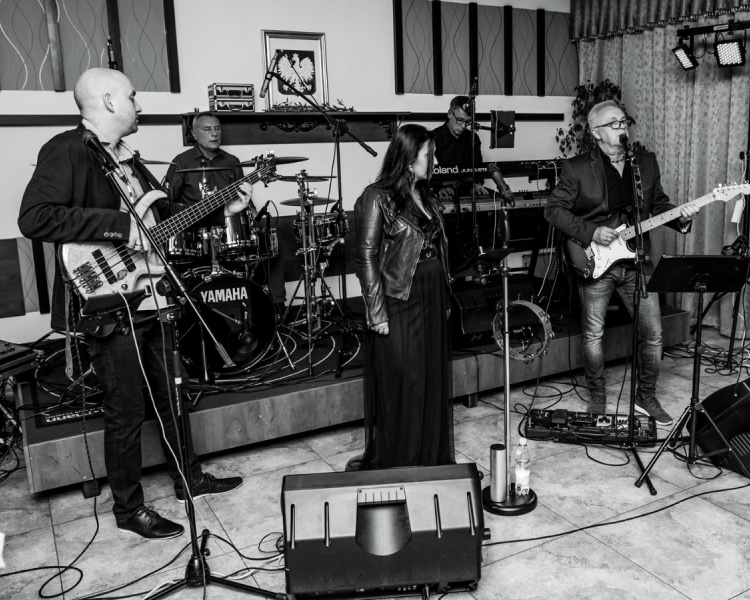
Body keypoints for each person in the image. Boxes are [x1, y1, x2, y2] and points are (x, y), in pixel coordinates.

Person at [18, 68, 249, 540]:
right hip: (107, 301)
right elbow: (35, 217)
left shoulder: (130, 160)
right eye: (132, 96)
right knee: (125, 408)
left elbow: (162, 220)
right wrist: (120, 227)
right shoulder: (67, 149)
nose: (139, 104)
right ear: (107, 101)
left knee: (173, 392)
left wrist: (221, 208)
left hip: (152, 297)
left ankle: (189, 478)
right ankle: (128, 508)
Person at [544, 100, 700, 424]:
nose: (621, 127)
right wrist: (591, 231)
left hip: (636, 260)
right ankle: (597, 395)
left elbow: (658, 206)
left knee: (653, 333)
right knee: (593, 334)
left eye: (623, 121)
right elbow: (554, 210)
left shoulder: (646, 162)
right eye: (613, 123)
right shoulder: (577, 167)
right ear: (595, 132)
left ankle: (646, 396)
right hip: (595, 259)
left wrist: (681, 219)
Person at [354, 124, 454, 469]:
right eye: (429, 154)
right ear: (409, 159)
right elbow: (366, 257)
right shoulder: (376, 197)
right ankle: (402, 461)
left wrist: (445, 298)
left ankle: (429, 458)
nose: (434, 160)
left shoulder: (426, 195)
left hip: (432, 293)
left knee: (430, 377)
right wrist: (376, 311)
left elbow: (439, 248)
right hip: (400, 298)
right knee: (406, 380)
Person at [166, 112, 255, 227]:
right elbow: (168, 204)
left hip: (228, 229)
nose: (214, 134)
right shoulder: (181, 162)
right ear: (194, 134)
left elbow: (243, 197)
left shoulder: (232, 162)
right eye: (207, 129)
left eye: (217, 129)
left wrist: (252, 210)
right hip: (194, 230)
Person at [432, 95, 513, 200]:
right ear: (450, 114)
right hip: (443, 191)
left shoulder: (473, 138)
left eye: (468, 122)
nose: (463, 126)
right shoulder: (433, 138)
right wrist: (439, 188)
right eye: (460, 120)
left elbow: (478, 168)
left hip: (468, 190)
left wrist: (476, 184)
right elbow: (428, 172)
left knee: (498, 199)